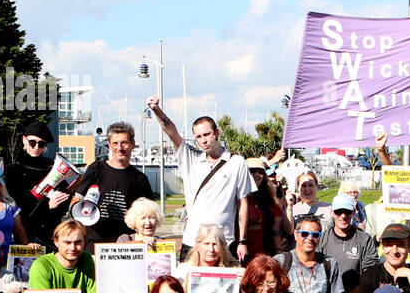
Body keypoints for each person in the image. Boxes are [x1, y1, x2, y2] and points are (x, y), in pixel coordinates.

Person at [148, 98, 254, 262]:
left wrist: (243, 241)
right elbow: (171, 131)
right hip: (193, 240)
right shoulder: (191, 158)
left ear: (217, 133)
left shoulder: (236, 162)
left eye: (207, 134)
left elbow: (243, 204)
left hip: (224, 241)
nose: (203, 140)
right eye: (198, 136)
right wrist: (156, 110)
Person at [72, 122, 155, 249]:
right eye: (115, 143)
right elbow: (77, 199)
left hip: (124, 243)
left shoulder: (140, 178)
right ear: (109, 145)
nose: (119, 148)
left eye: (124, 143)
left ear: (132, 144)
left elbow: (150, 213)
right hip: (92, 240)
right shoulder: (96, 168)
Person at [4, 122, 74, 247]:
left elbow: (64, 200)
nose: (36, 147)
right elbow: (16, 205)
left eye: (41, 144)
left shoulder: (53, 167)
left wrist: (56, 204)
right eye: (32, 143)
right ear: (24, 140)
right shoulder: (13, 170)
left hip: (50, 234)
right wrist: (48, 206)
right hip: (24, 233)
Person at [320, 193, 378, 293]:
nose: (343, 216)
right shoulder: (322, 239)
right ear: (331, 212)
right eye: (338, 212)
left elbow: (370, 275)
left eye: (347, 212)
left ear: (353, 212)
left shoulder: (364, 239)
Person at [242, 157, 291, 261]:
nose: (256, 175)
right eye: (252, 171)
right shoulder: (235, 199)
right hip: (239, 255)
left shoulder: (270, 200)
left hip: (264, 257)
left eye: (260, 171)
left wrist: (278, 255)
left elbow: (276, 231)